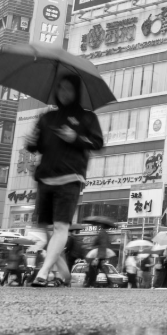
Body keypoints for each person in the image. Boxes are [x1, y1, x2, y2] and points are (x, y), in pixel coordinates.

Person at [29, 73, 104, 287]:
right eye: (61, 88)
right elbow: (38, 146)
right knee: (45, 227)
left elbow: (98, 143)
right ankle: (63, 270)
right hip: (45, 178)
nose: (64, 92)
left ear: (76, 91)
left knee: (61, 227)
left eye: (69, 88)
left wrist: (76, 138)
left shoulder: (87, 117)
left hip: (70, 177)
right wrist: (32, 143)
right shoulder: (47, 117)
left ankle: (43, 273)